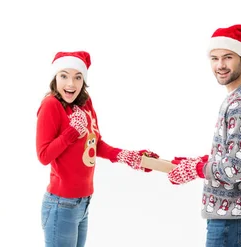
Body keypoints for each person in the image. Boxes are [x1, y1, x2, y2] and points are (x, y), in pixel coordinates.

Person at [35, 51, 159, 247]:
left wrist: (128, 156)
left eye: (78, 77)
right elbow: (43, 156)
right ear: (55, 77)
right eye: (64, 76)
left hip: (83, 202)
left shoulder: (86, 103)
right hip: (61, 204)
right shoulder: (51, 105)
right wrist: (71, 132)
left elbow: (95, 144)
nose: (71, 84)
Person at [167, 24, 241, 247]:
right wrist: (197, 162)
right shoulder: (240, 97)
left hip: (231, 217)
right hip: (239, 213)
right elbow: (233, 154)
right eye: (214, 58)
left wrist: (195, 170)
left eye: (228, 57)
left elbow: (238, 167)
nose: (220, 65)